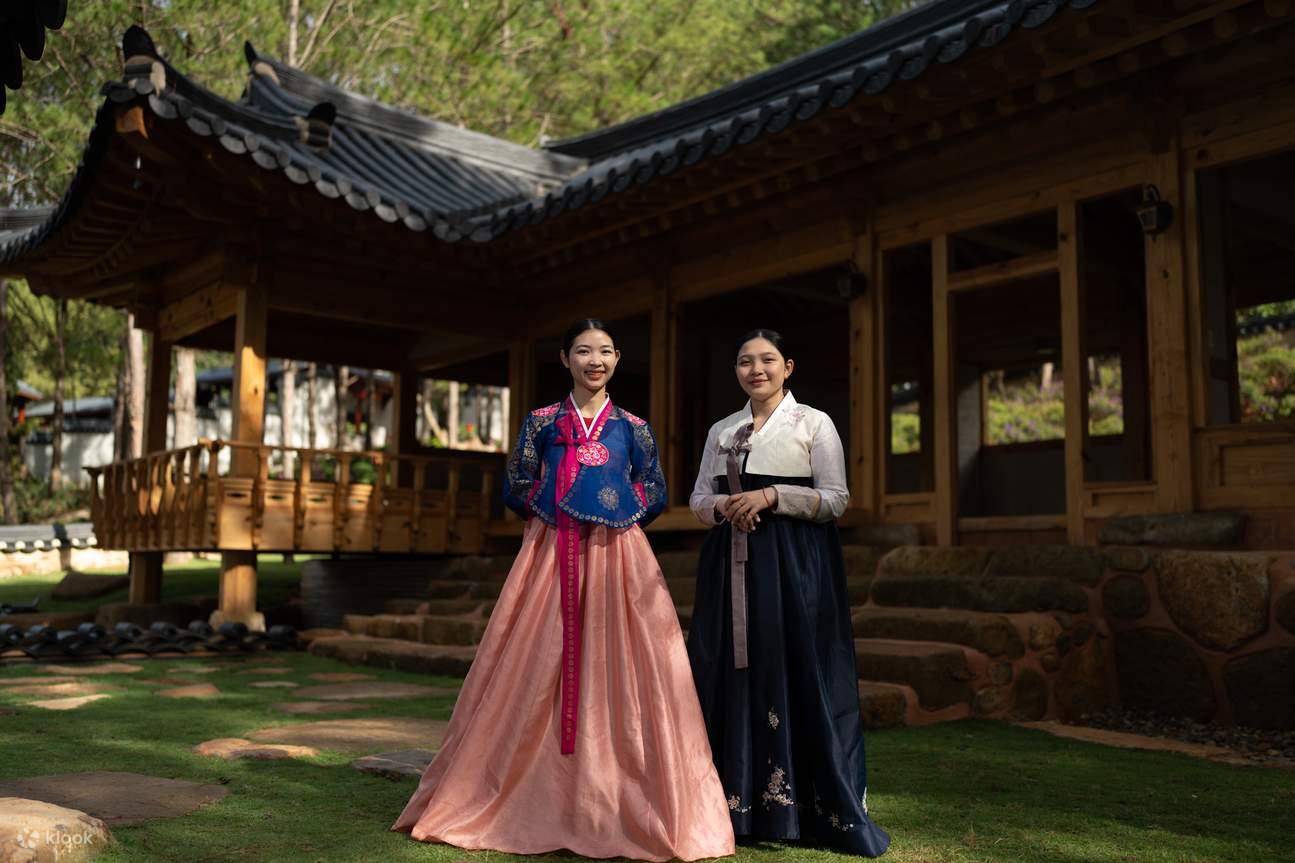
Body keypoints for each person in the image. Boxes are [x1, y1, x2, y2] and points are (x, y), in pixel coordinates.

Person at [394, 318, 734, 862]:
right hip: (551, 552)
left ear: (618, 359)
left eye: (604, 351)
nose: (594, 360)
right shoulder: (542, 422)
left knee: (631, 663)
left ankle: (624, 798)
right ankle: (528, 792)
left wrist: (613, 512)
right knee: (532, 660)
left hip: (618, 557)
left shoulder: (634, 427)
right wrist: (559, 510)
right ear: (565, 359)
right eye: (583, 351)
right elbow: (517, 482)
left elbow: (653, 486)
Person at [686, 328, 890, 857]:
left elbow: (836, 498)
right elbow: (698, 498)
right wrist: (725, 507)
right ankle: (731, 805)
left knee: (795, 665)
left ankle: (803, 809)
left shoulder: (814, 423)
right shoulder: (722, 430)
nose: (757, 370)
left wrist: (772, 495)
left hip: (794, 566)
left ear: (788, 366)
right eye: (745, 361)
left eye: (768, 360)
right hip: (730, 565)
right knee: (728, 670)